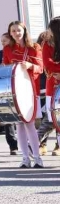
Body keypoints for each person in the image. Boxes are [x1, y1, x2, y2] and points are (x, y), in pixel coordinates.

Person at [3, 21, 44, 168]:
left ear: (24, 31)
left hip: (30, 89)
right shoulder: (7, 49)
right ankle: (25, 158)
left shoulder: (34, 47)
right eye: (13, 31)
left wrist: (30, 65)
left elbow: (41, 68)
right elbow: (6, 67)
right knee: (19, 124)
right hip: (15, 90)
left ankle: (38, 158)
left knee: (30, 124)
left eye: (18, 30)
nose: (16, 33)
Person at [0, 33, 18, 155]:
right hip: (5, 87)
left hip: (18, 86)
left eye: (5, 40)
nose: (3, 43)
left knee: (23, 119)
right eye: (1, 41)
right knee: (8, 118)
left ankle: (29, 144)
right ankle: (13, 146)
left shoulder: (17, 51)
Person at [40, 19, 60, 156]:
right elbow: (48, 64)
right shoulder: (47, 44)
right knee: (53, 119)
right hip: (52, 87)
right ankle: (36, 143)